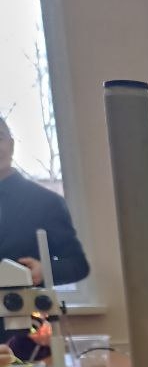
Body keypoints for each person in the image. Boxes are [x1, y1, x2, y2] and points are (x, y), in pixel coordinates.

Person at [0, 116, 89, 286]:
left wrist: (45, 271)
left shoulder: (47, 202)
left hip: (26, 302)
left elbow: (78, 264)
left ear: (11, 145)